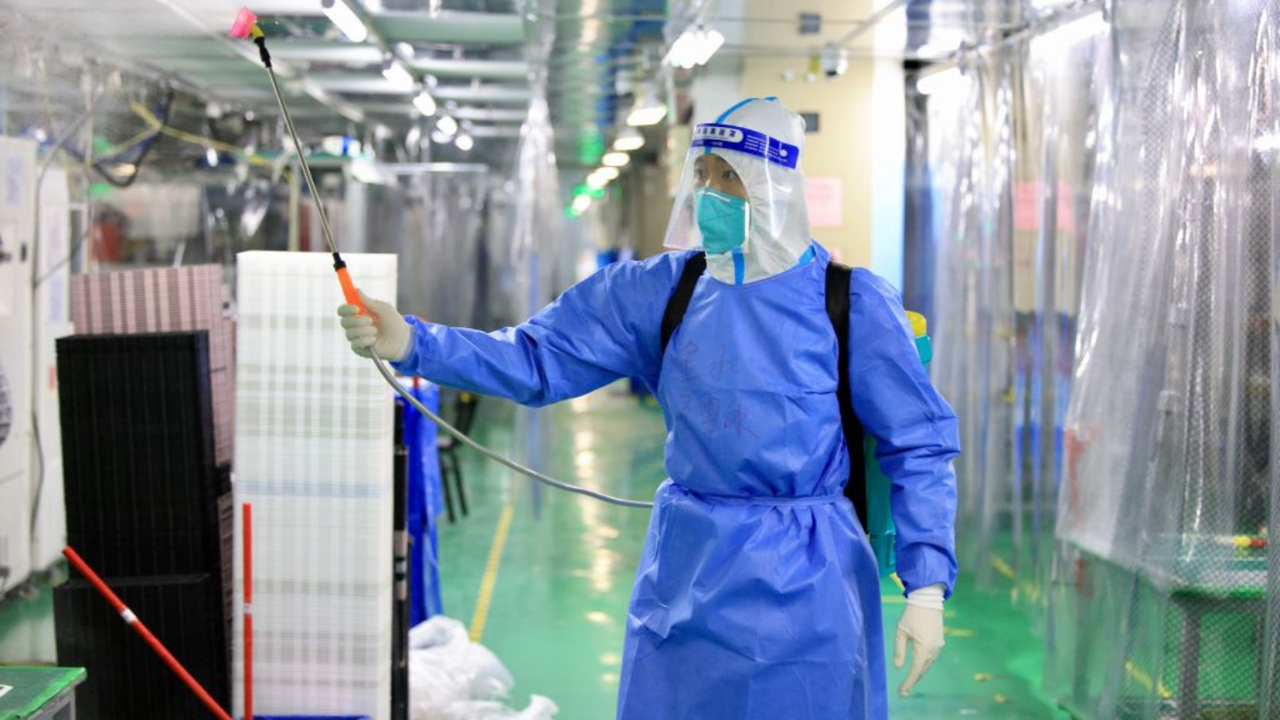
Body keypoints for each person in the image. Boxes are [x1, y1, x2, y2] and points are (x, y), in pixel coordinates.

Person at [339, 97, 959, 720]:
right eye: (703, 173)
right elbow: (537, 357)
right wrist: (415, 342)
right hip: (687, 571)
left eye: (730, 177)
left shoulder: (849, 304)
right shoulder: (664, 291)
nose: (709, 192)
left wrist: (926, 587)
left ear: (776, 188)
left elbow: (918, 443)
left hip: (810, 580)